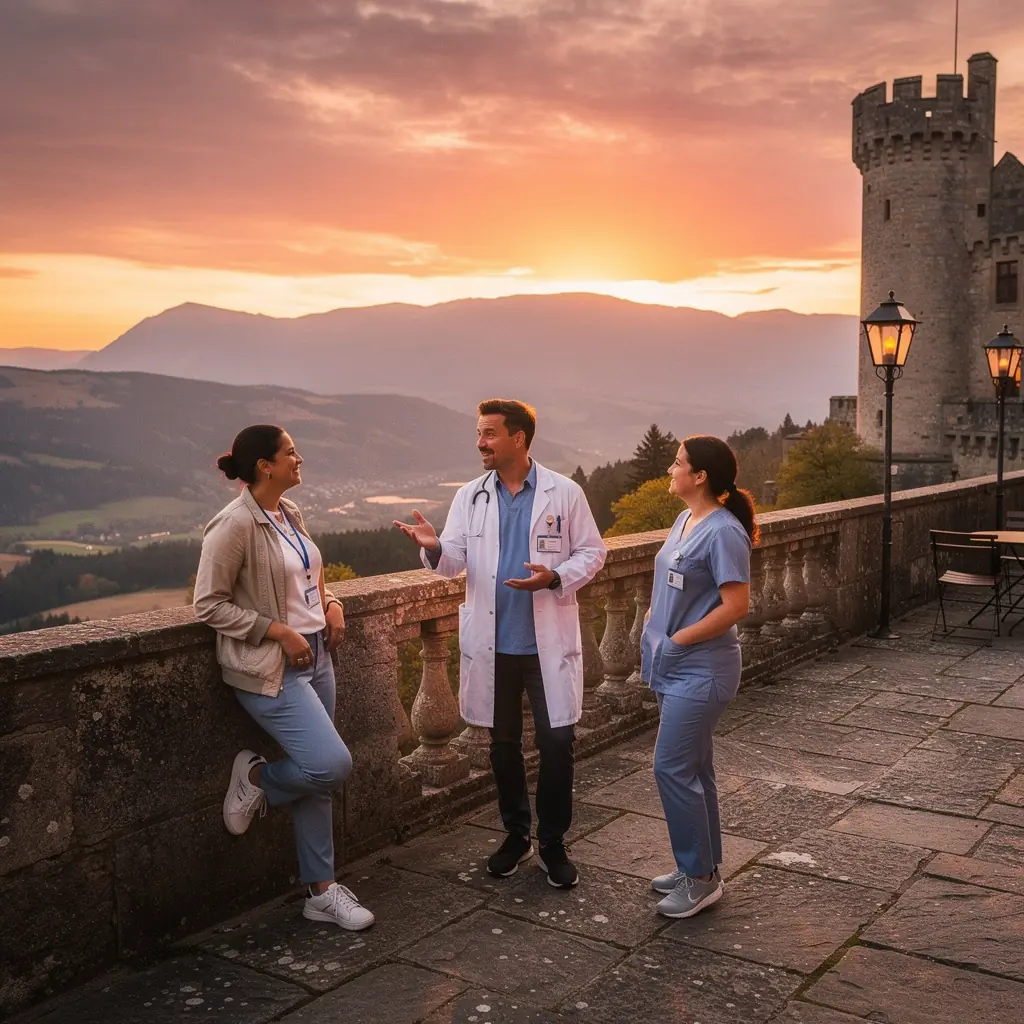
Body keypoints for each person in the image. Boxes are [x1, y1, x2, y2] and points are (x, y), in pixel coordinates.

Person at [394, 399, 606, 888]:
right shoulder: (471, 496)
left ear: (519, 438)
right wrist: (434, 548)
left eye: (489, 433)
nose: (480, 443)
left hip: (545, 643)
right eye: (479, 432)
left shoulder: (564, 493)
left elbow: (594, 553)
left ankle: (553, 842)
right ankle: (516, 835)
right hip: (494, 644)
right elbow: (455, 563)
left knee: (557, 743)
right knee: (502, 745)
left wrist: (555, 576)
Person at [193, 424, 374, 931]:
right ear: (264, 466)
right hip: (272, 667)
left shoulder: (288, 513)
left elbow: (308, 576)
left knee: (316, 779)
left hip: (318, 655)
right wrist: (277, 631)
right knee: (330, 765)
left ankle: (321, 892)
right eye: (291, 452)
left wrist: (333, 603)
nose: (300, 458)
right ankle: (255, 779)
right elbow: (208, 604)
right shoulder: (233, 525)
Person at [640, 435, 755, 919]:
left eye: (678, 462)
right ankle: (700, 867)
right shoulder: (686, 519)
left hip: (702, 670)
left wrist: (680, 639)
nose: (671, 468)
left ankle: (702, 880)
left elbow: (737, 605)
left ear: (700, 476)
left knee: (671, 768)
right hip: (675, 666)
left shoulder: (724, 531)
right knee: (696, 770)